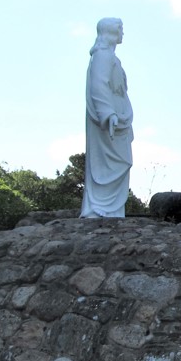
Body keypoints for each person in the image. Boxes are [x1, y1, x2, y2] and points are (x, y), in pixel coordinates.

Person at [81, 18, 133, 218]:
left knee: (121, 162)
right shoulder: (103, 56)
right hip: (110, 121)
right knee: (109, 164)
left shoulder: (111, 57)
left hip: (119, 118)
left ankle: (111, 210)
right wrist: (107, 113)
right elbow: (99, 85)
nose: (122, 33)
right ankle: (100, 208)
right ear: (111, 31)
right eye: (120, 29)